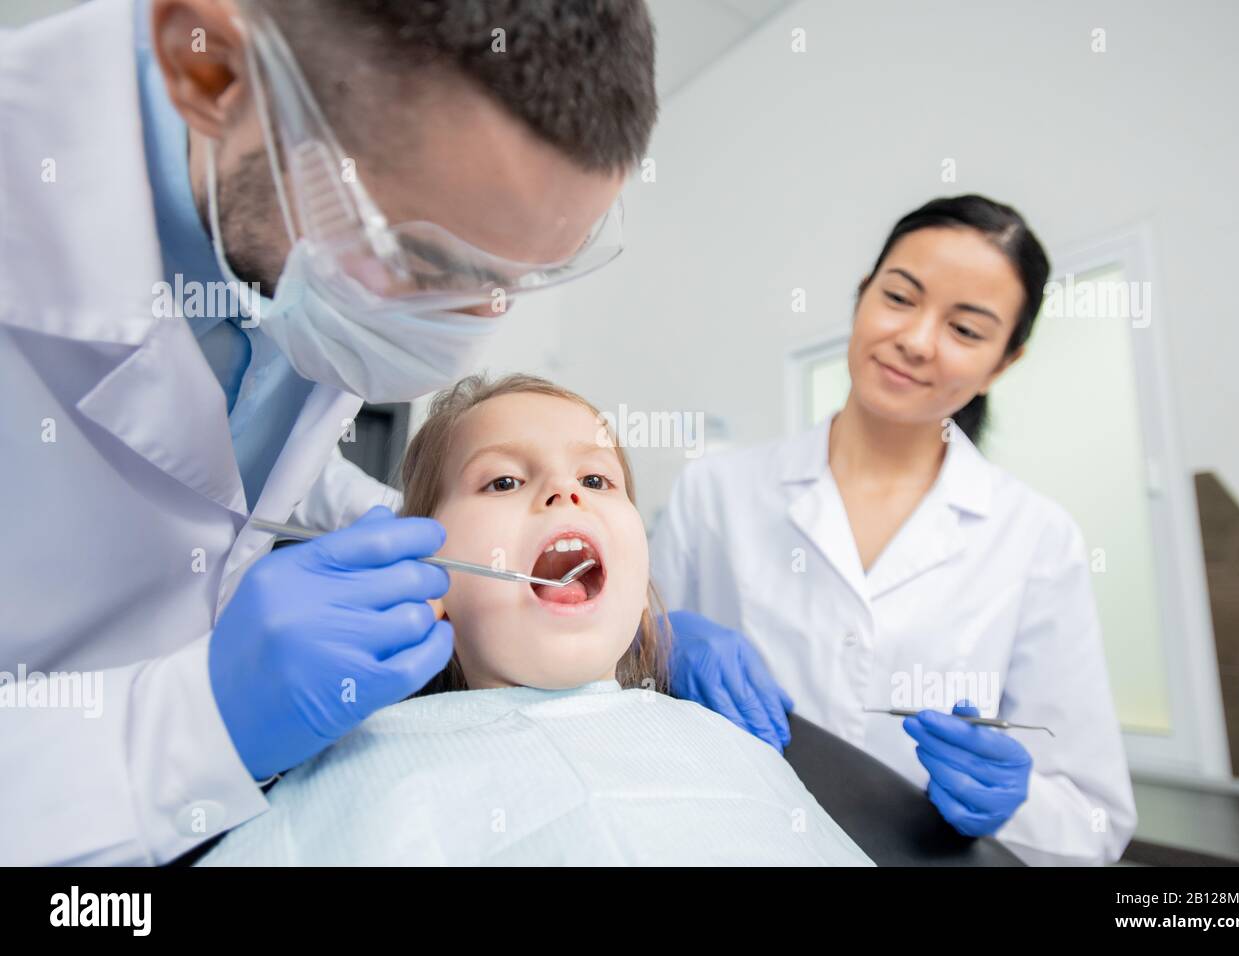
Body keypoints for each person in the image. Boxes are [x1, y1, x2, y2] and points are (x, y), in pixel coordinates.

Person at [0, 0, 656, 864]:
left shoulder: (291, 207)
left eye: (524, 278)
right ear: (212, 73)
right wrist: (199, 721)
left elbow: (225, 462)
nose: (469, 330)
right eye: (426, 264)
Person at [196, 373, 871, 865]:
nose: (565, 491)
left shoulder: (735, 750)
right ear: (428, 577)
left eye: (599, 480)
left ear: (640, 581)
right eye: (503, 481)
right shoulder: (354, 769)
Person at [652, 195, 1138, 865]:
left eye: (965, 330)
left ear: (1004, 363)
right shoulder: (716, 491)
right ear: (862, 295)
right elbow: (617, 683)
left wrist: (1012, 799)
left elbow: (1093, 819)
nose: (916, 340)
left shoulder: (1037, 537)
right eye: (901, 297)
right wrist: (662, 641)